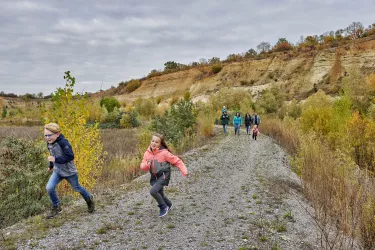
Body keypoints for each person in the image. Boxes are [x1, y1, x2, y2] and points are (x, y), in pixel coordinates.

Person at [44, 123, 94, 219]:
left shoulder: (64, 142)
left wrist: (55, 160)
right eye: (45, 135)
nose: (47, 137)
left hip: (69, 172)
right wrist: (51, 166)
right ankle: (56, 206)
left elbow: (70, 156)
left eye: (49, 135)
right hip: (58, 171)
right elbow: (52, 155)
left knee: (77, 188)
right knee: (49, 187)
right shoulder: (49, 143)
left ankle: (89, 198)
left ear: (57, 134)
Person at [140, 133, 188, 217]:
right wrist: (146, 165)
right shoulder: (147, 153)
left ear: (160, 144)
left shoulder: (164, 153)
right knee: (160, 194)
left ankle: (163, 207)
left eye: (157, 142)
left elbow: (177, 161)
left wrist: (184, 171)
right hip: (154, 177)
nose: (154, 143)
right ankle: (168, 204)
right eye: (153, 141)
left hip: (163, 176)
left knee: (153, 191)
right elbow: (143, 167)